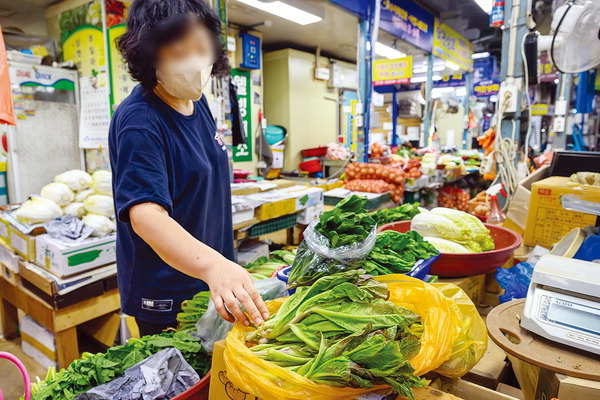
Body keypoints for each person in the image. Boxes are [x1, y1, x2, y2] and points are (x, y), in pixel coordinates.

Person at [109, 0, 268, 336]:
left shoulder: (197, 102)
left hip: (208, 279)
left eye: (202, 48)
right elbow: (146, 216)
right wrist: (213, 266)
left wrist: (220, 266)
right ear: (150, 53)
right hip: (168, 294)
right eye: (181, 52)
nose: (195, 63)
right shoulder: (141, 120)